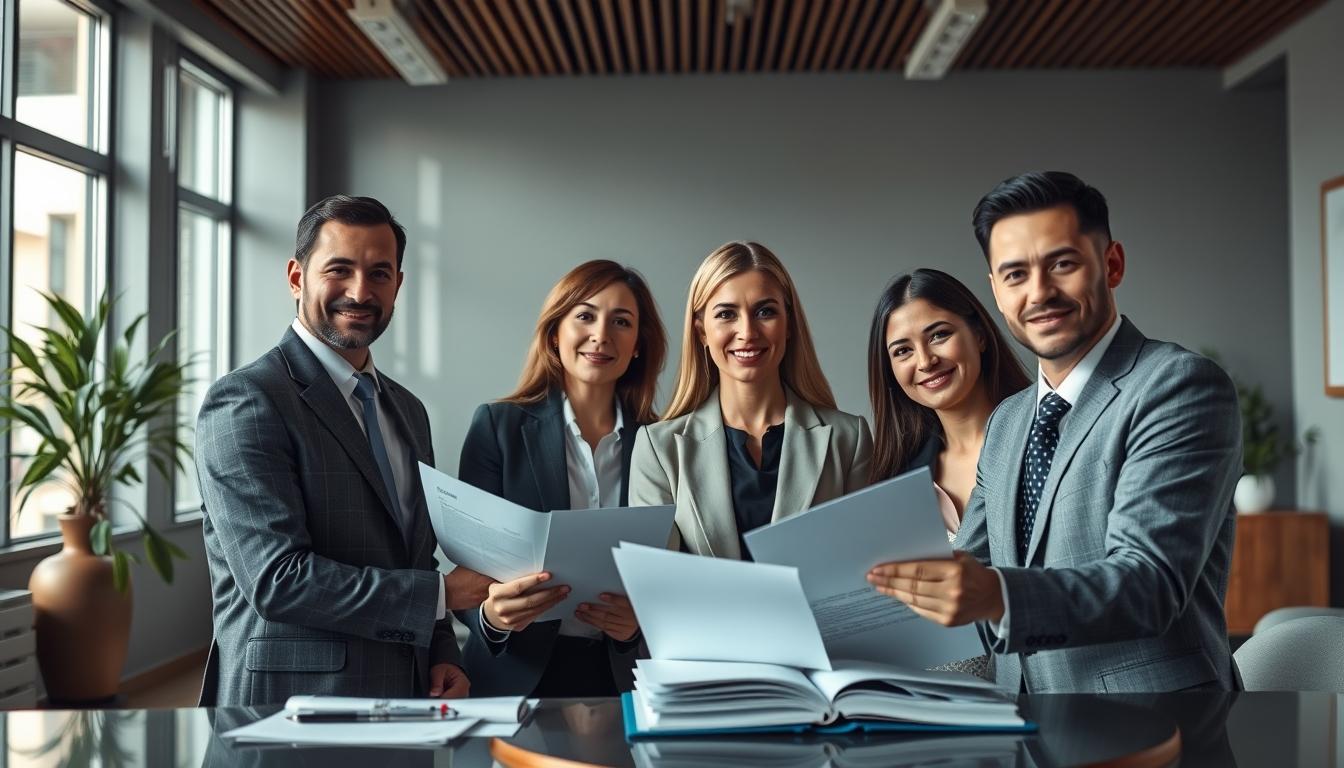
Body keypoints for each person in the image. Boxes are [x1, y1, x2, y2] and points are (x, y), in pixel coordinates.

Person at [867, 171, 1243, 692]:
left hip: (1157, 728)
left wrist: (997, 595)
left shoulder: (1178, 387)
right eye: (1016, 274)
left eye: (1061, 264)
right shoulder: (1010, 419)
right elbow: (965, 565)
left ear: (1111, 265)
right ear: (996, 293)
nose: (1039, 292)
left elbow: (1149, 583)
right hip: (1024, 727)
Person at [196, 195, 493, 706]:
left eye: (380, 273)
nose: (361, 291)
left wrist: (444, 651)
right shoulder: (246, 400)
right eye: (340, 269)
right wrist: (442, 596)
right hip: (291, 705)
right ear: (296, 277)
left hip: (406, 695)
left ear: (398, 285)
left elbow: (415, 558)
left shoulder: (407, 410)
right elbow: (277, 580)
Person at [456, 260, 668, 697]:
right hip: (514, 678)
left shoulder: (665, 443)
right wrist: (493, 619)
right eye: (585, 316)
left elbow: (678, 574)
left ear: (638, 346)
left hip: (625, 679)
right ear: (555, 334)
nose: (601, 335)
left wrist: (638, 624)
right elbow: (469, 570)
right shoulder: (498, 427)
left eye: (621, 321)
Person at [629, 241, 872, 559]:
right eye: (727, 314)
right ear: (702, 331)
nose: (747, 331)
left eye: (765, 312)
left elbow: (862, 570)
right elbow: (657, 583)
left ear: (788, 324)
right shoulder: (658, 449)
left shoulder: (848, 439)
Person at [867, 269, 1031, 679]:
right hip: (938, 708)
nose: (925, 361)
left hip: (1047, 692)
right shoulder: (894, 484)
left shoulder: (1045, 440)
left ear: (978, 334)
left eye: (938, 335)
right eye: (902, 351)